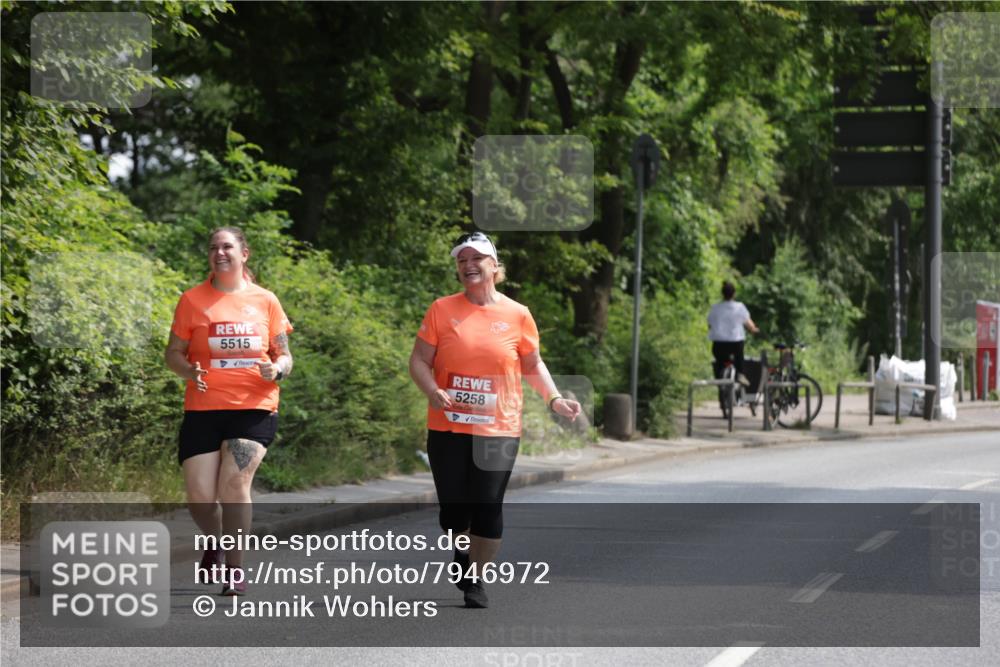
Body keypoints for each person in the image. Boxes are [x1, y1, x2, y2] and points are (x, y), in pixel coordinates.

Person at [408, 231, 581, 609]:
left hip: (498, 428)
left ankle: (475, 577)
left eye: (476, 258)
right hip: (448, 425)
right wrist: (432, 390)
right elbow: (419, 360)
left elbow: (532, 364)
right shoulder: (441, 309)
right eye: (462, 260)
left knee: (487, 504)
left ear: (494, 265)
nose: (468, 265)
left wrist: (554, 399)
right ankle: (462, 549)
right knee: (454, 513)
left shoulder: (518, 314)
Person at [165, 226, 293, 596]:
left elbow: (285, 355)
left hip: (253, 408)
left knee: (235, 485)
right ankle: (215, 540)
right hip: (203, 409)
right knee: (200, 498)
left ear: (244, 254)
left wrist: (277, 369)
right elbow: (172, 354)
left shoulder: (265, 300)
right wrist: (188, 371)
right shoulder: (192, 300)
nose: (219, 253)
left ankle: (234, 569)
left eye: (227, 247)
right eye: (213, 247)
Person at [708, 281, 759, 396]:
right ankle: (740, 374)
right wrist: (753, 329)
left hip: (719, 343)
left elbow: (710, 324)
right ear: (734, 294)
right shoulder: (739, 307)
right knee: (739, 358)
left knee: (719, 363)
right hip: (735, 343)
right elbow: (749, 324)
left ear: (722, 294)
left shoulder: (715, 308)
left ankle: (719, 380)